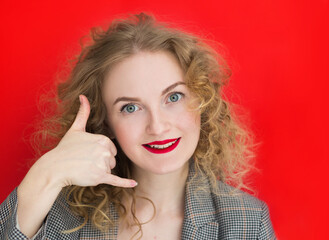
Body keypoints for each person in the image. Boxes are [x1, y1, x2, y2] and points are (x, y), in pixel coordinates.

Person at [0, 13, 275, 239]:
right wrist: (47, 173)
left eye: (174, 97)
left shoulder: (247, 222)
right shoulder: (62, 214)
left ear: (202, 100)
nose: (157, 126)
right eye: (130, 108)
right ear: (104, 122)